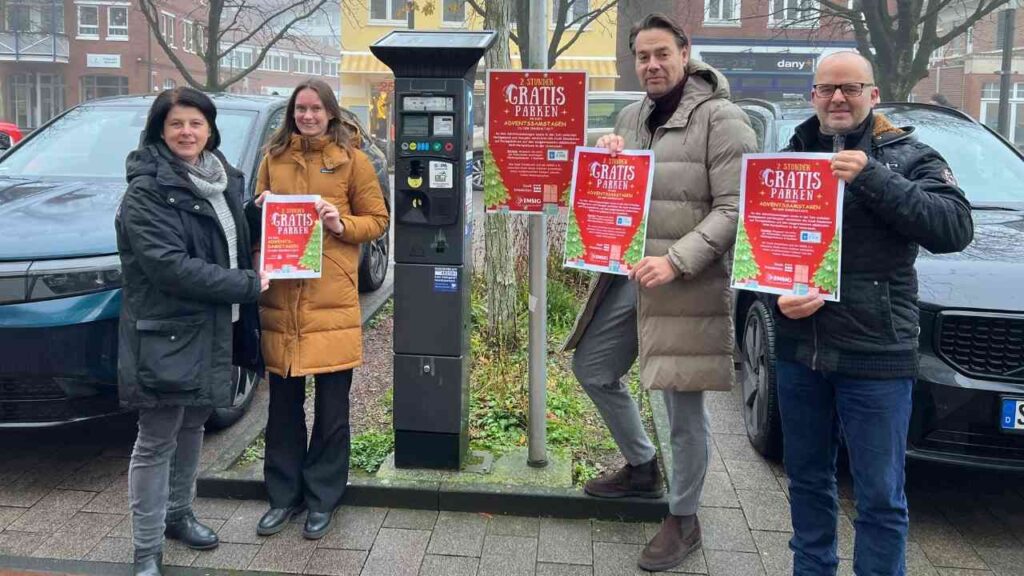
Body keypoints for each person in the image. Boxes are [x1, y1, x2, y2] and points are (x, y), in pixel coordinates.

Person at [563, 13, 757, 572]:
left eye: (661, 54)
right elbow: (618, 192)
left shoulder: (723, 120)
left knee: (683, 406)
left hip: (685, 283)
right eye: (642, 57)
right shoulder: (632, 114)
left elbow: (734, 210)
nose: (651, 65)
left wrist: (676, 260)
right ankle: (643, 466)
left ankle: (684, 517)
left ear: (685, 52)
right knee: (594, 367)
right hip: (629, 274)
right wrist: (607, 157)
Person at [776, 52, 973, 576]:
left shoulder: (910, 156)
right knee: (807, 483)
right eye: (827, 89)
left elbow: (953, 228)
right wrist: (778, 293)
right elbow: (765, 247)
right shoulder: (790, 154)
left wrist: (872, 177)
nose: (838, 98)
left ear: (873, 94)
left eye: (851, 88)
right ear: (813, 95)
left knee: (880, 496)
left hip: (876, 356)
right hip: (800, 351)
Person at [116, 87, 268, 576]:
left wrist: (260, 216)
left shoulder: (222, 178)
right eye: (177, 123)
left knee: (193, 425)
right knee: (157, 436)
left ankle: (179, 515)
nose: (187, 132)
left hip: (214, 326)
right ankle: (146, 550)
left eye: (196, 124)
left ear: (210, 129)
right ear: (160, 128)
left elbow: (223, 240)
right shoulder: (147, 190)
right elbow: (169, 266)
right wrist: (247, 284)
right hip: (168, 331)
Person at [248, 79, 389, 540]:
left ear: (330, 113)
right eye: (300, 109)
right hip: (284, 300)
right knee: (283, 408)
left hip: (332, 299)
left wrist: (339, 221)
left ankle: (323, 498)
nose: (307, 116)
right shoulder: (273, 159)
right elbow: (255, 218)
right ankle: (282, 497)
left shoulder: (353, 162)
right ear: (292, 113)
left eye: (315, 109)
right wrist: (260, 207)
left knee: (332, 409)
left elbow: (377, 221)